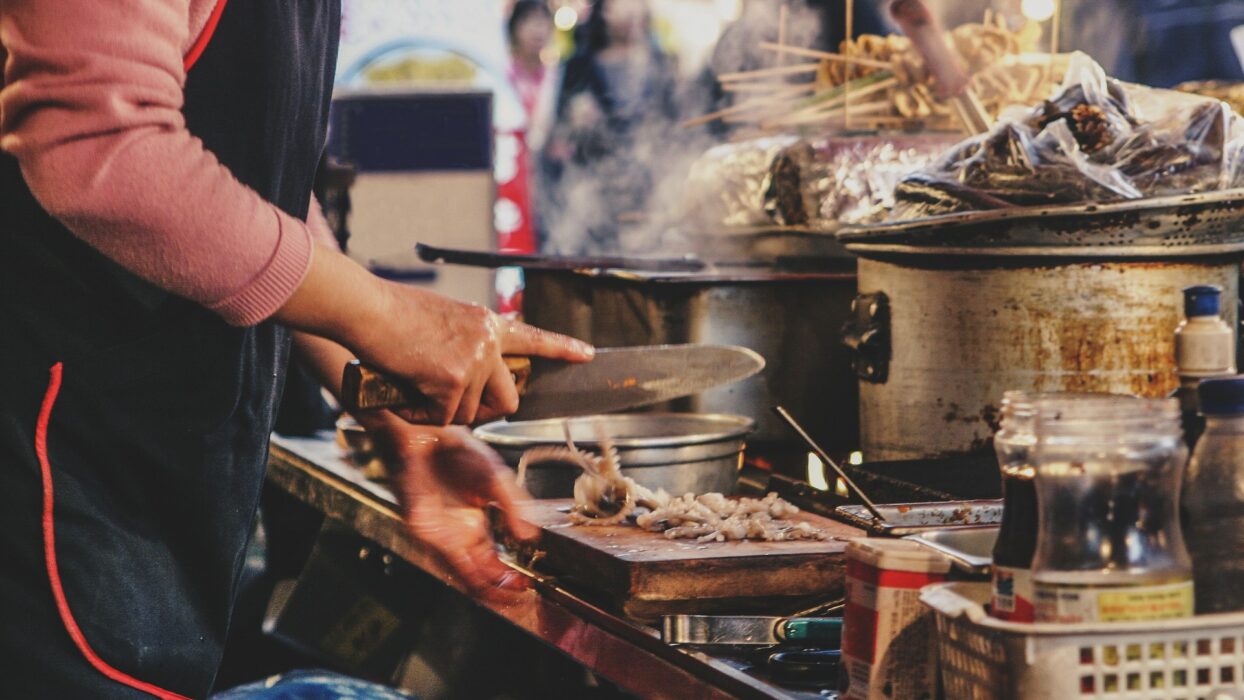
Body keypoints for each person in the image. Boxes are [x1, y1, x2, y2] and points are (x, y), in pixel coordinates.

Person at [0, 1, 593, 696]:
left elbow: (250, 183)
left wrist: (395, 412)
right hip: (54, 469)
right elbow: (98, 143)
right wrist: (389, 317)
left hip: (155, 478)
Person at [539, 0, 679, 255]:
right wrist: (576, 122)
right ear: (603, 11)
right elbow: (556, 138)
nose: (629, 10)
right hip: (592, 197)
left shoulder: (663, 65)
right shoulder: (579, 66)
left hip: (650, 193)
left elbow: (679, 130)